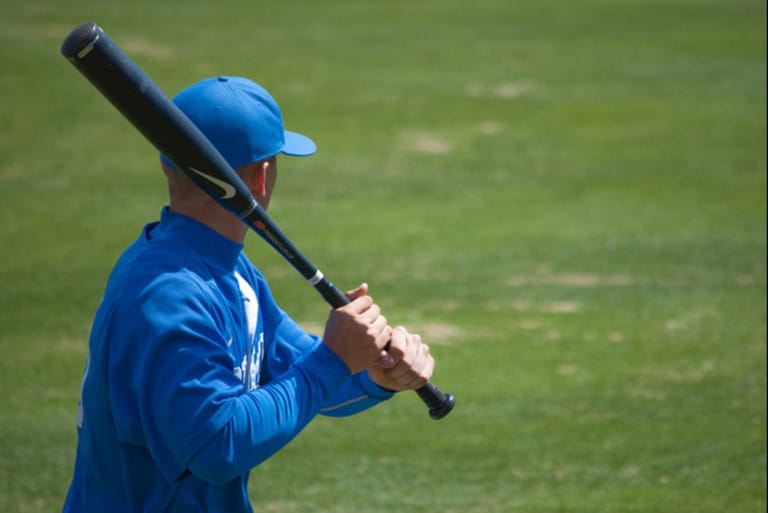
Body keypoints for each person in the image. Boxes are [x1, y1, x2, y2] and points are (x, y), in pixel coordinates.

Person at [62, 76, 435, 513]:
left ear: (167, 163)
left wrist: (372, 374)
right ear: (261, 177)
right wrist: (333, 360)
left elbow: (303, 375)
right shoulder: (169, 297)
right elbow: (215, 447)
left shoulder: (227, 270)